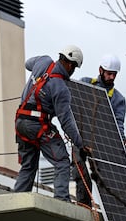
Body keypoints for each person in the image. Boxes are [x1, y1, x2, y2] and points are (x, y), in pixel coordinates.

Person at [14, 45, 90, 202]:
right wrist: (80, 143)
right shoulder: (61, 88)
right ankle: (62, 200)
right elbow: (66, 121)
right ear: (70, 64)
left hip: (20, 121)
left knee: (28, 166)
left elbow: (28, 64)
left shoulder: (43, 61)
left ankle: (17, 200)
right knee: (62, 162)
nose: (73, 71)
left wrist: (37, 75)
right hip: (37, 125)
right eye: (74, 67)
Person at [72, 54, 126, 206]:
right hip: (81, 139)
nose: (111, 77)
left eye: (114, 74)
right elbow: (73, 104)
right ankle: (84, 204)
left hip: (102, 143)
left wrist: (120, 140)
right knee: (80, 172)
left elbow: (118, 123)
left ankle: (115, 210)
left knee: (108, 179)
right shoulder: (85, 83)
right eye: (109, 73)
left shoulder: (118, 99)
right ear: (101, 70)